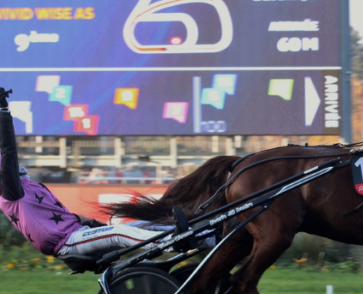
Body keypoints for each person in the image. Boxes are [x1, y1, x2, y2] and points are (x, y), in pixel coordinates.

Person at [0, 88, 214, 261]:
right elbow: (8, 151)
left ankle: (209, 239)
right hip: (68, 241)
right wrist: (3, 113)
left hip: (76, 233)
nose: (12, 165)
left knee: (140, 225)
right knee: (119, 234)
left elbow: (68, 218)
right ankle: (174, 243)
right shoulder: (10, 193)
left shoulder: (27, 187)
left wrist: (95, 226)